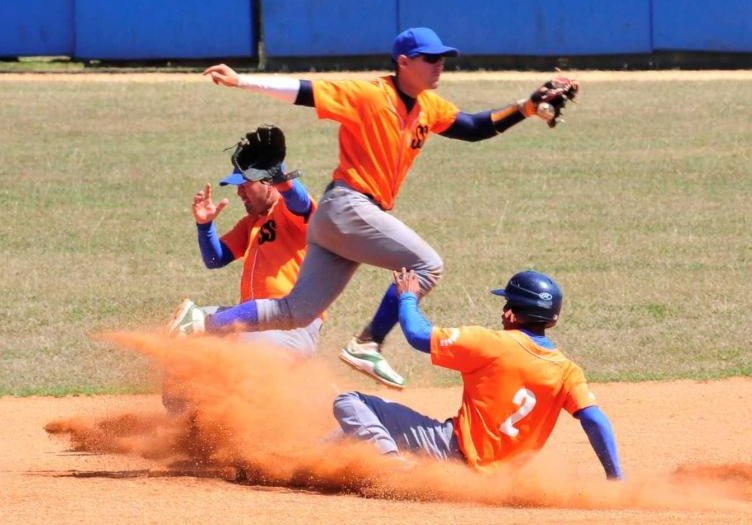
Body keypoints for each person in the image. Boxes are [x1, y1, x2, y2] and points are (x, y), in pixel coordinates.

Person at [187, 27, 579, 389]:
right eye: (430, 58)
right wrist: (241, 81)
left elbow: (475, 128)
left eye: (442, 58)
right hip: (349, 205)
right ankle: (368, 342)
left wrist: (526, 107)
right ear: (403, 62)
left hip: (341, 220)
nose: (438, 64)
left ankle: (204, 323)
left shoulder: (428, 106)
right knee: (428, 265)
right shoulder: (371, 93)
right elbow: (305, 91)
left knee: (297, 311)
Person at [332, 269, 623, 479]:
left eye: (506, 303)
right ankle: (304, 464)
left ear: (511, 313)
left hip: (450, 450)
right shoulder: (568, 371)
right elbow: (595, 419)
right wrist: (615, 478)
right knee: (342, 438)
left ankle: (391, 470)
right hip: (498, 480)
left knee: (349, 402)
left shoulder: (492, 344)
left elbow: (417, 335)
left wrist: (407, 298)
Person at [168, 125, 322, 356]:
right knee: (183, 332)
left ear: (268, 182)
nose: (239, 192)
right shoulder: (251, 223)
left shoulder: (291, 212)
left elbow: (301, 204)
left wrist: (281, 176)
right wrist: (205, 225)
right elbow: (214, 259)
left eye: (245, 185)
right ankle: (183, 394)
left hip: (291, 325)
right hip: (251, 319)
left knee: (240, 346)